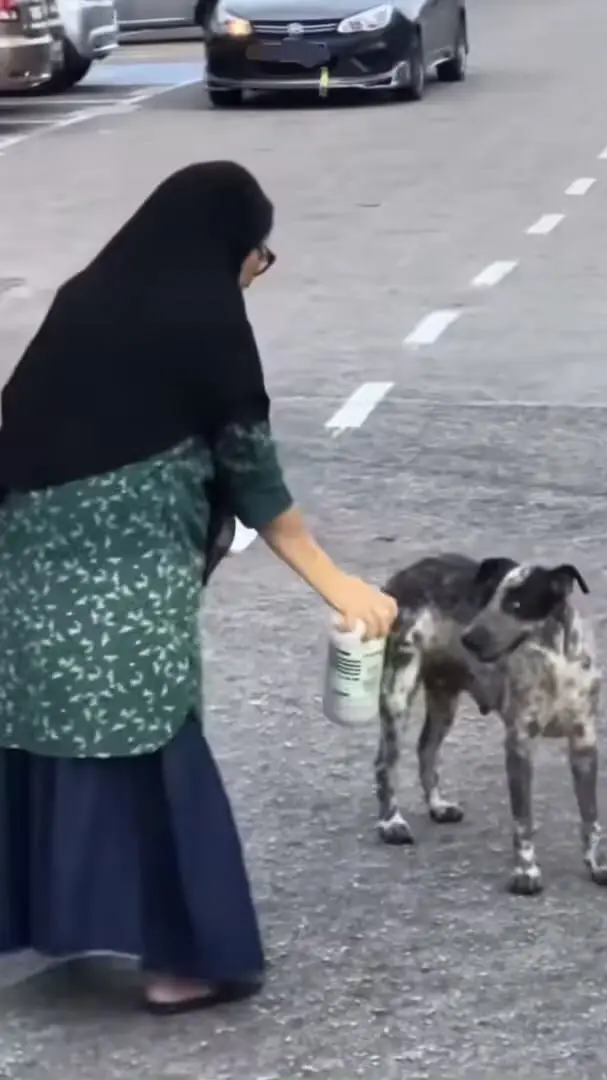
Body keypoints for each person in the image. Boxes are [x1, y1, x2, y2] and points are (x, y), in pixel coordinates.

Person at [0, 161, 397, 1015]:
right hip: (129, 578)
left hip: (28, 564)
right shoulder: (210, 319)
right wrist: (340, 587)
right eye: (259, 251)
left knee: (41, 729)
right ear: (230, 245)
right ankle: (185, 959)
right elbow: (254, 475)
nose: (259, 267)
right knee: (155, 741)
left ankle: (36, 916)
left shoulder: (83, 298)